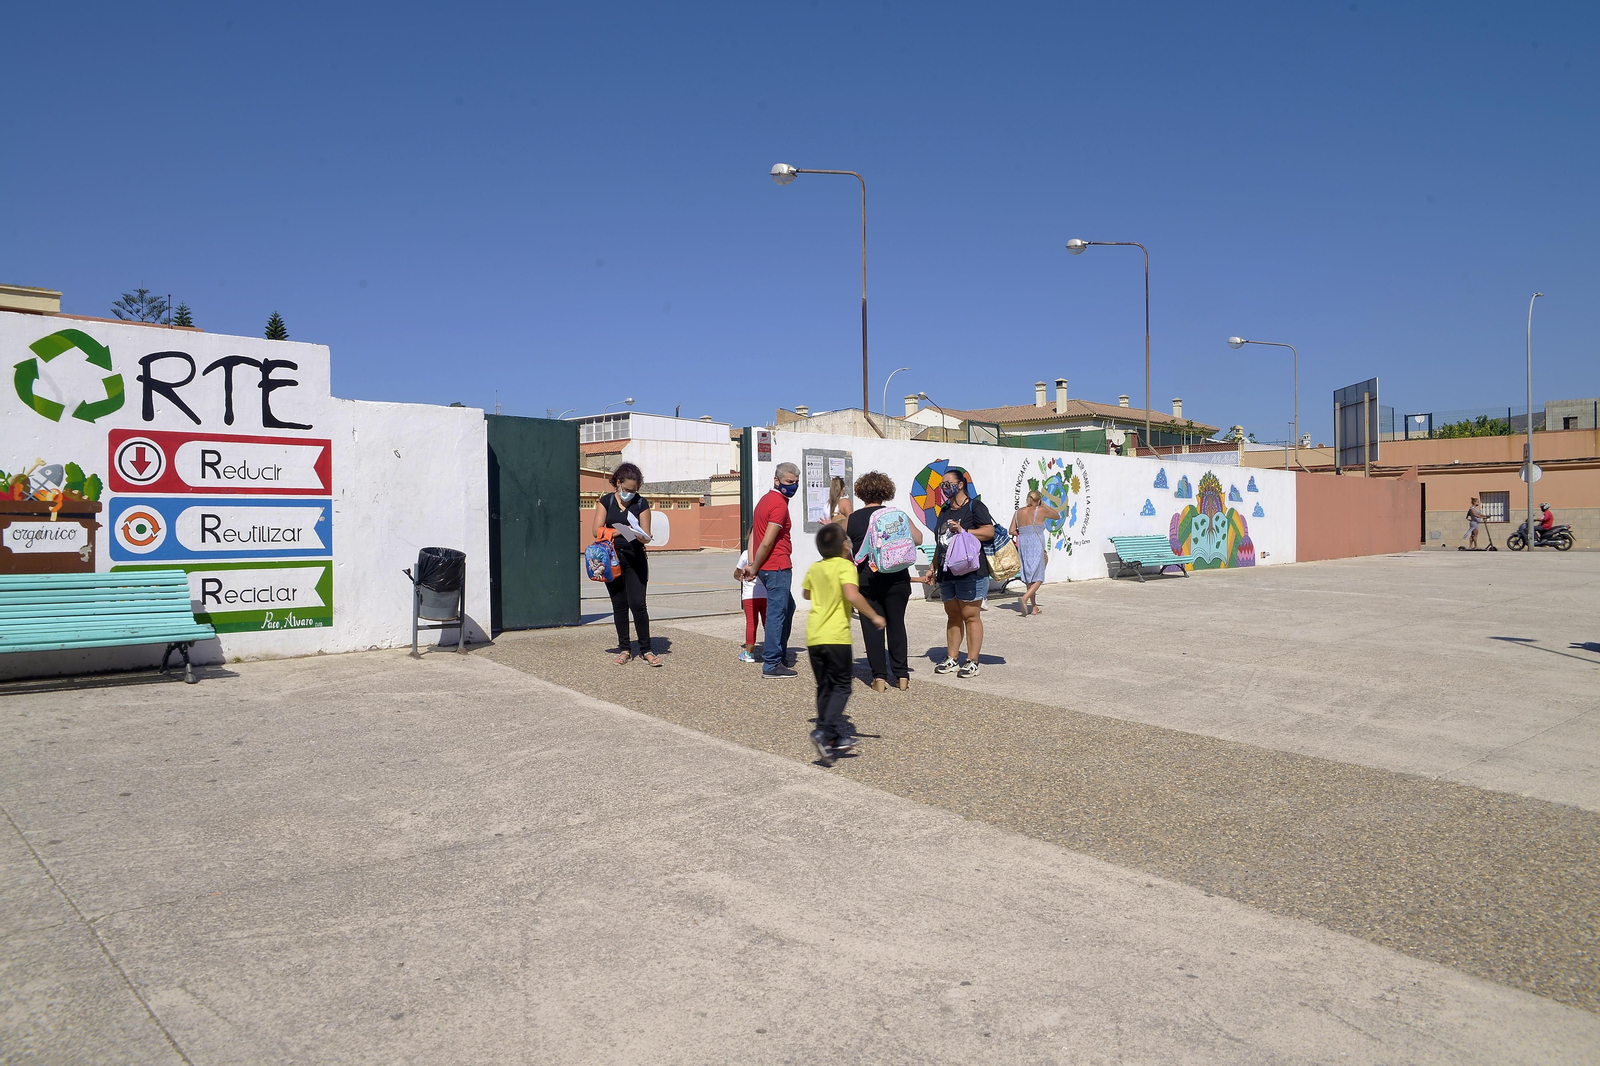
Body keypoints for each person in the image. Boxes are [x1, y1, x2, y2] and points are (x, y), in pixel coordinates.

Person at [803, 523, 885, 765]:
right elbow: (851, 594)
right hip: (836, 636)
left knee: (825, 686)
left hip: (814, 636)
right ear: (844, 546)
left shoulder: (815, 568)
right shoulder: (845, 566)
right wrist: (874, 615)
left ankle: (831, 737)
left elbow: (807, 594)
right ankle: (823, 731)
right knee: (842, 687)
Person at [845, 471, 922, 692]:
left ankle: (879, 678)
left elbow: (843, 547)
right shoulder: (898, 515)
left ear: (861, 493)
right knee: (897, 624)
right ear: (886, 492)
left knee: (872, 627)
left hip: (867, 579)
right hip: (898, 576)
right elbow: (918, 539)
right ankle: (902, 676)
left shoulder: (853, 519)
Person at [915, 467, 994, 679]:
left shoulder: (974, 507)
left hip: (970, 571)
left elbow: (989, 531)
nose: (944, 487)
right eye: (942, 484)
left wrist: (964, 531)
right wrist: (933, 567)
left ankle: (972, 660)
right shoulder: (944, 511)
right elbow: (940, 542)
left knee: (970, 615)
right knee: (953, 615)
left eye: (947, 483)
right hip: (947, 571)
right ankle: (952, 658)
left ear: (960, 485)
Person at [593, 462, 659, 666]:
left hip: (635, 558)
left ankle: (646, 649)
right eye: (627, 489)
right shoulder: (606, 501)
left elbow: (645, 533)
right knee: (619, 606)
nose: (630, 493)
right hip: (611, 559)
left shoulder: (641, 504)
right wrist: (622, 530)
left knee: (638, 605)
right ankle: (625, 649)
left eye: (634, 490)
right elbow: (596, 531)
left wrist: (644, 537)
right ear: (618, 483)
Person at [739, 462, 800, 678]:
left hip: (768, 566)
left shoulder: (764, 501)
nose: (793, 486)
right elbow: (765, 541)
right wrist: (754, 565)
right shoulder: (779, 505)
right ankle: (772, 663)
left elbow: (754, 534)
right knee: (777, 613)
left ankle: (779, 653)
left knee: (787, 607)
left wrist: (754, 564)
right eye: (789, 482)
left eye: (796, 482)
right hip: (777, 566)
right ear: (777, 480)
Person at [1009, 489, 1061, 617]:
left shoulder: (1018, 512)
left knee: (1029, 575)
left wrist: (1024, 534)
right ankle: (1025, 597)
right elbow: (1056, 516)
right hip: (1036, 542)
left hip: (1023, 543)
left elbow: (1011, 531)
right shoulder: (1040, 509)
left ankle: (1034, 607)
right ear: (1038, 500)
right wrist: (1044, 504)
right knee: (1039, 575)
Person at [734, 548, 767, 663]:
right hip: (766, 593)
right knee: (768, 623)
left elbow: (736, 573)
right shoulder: (767, 551)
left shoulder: (746, 553)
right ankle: (770, 651)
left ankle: (749, 653)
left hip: (749, 595)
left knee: (751, 623)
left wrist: (740, 574)